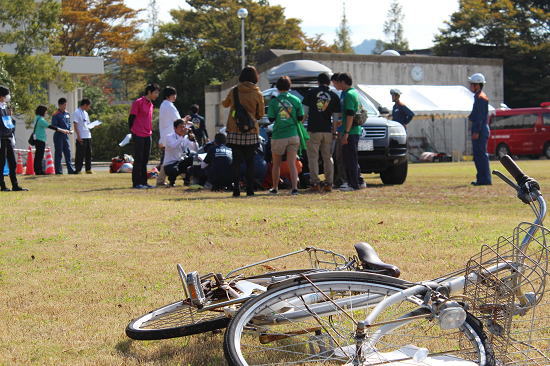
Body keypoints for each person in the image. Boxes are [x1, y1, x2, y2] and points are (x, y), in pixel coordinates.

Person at [222, 65, 264, 197]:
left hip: (234, 130)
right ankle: (250, 190)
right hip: (251, 131)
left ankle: (236, 189)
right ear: (255, 77)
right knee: (250, 161)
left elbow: (225, 104)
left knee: (236, 161)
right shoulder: (257, 93)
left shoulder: (234, 91)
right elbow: (260, 114)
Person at [302, 72, 340, 192]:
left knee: (313, 157)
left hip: (313, 130)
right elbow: (335, 117)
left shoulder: (311, 93)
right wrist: (334, 131)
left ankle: (315, 183)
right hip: (327, 130)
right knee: (327, 157)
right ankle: (329, 183)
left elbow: (305, 114)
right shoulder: (334, 96)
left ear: (317, 82)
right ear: (329, 82)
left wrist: (300, 126)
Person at [267, 76, 304, 195]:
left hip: (279, 135)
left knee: (276, 164)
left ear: (277, 87)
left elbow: (271, 119)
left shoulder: (274, 101)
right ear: (289, 86)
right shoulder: (296, 100)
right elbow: (300, 117)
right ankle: (294, 188)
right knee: (292, 163)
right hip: (293, 135)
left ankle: (275, 188)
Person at [129, 83, 160, 189]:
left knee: (145, 160)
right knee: (138, 159)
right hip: (138, 134)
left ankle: (144, 182)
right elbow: (131, 118)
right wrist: (133, 132)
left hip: (148, 135)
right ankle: (136, 183)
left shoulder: (151, 104)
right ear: (149, 92)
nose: (157, 95)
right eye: (155, 92)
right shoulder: (138, 102)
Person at [337, 72, 362, 191]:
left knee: (350, 159)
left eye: (339, 82)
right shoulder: (352, 93)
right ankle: (357, 181)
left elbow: (350, 115)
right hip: (352, 130)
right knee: (351, 158)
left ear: (343, 82)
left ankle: (353, 184)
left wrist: (346, 132)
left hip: (351, 132)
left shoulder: (349, 95)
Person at [0, 86, 27, 191]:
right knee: (1, 163)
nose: (8, 97)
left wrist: (12, 136)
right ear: (1, 96)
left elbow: (9, 123)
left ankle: (15, 185)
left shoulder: (6, 107)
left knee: (13, 162)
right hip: (1, 138)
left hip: (8, 137)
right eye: (6, 95)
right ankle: (2, 186)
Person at [468, 73, 492, 186]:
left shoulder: (481, 97)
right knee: (478, 155)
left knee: (481, 155)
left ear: (477, 85)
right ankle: (481, 178)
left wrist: (476, 131)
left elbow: (480, 117)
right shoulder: (478, 96)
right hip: (480, 129)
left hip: (480, 130)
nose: (470, 86)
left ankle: (485, 179)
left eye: (472, 84)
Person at [33, 105, 70, 175]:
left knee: (38, 155)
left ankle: (38, 170)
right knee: (39, 156)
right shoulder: (41, 120)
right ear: (42, 112)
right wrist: (63, 130)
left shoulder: (36, 118)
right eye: (45, 112)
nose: (46, 113)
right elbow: (52, 127)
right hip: (40, 139)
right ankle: (38, 171)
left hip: (37, 139)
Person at [157, 86, 181, 186]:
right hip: (170, 137)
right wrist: (187, 120)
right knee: (169, 159)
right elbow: (178, 120)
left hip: (164, 135)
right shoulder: (170, 106)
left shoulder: (163, 105)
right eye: (173, 94)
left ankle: (160, 180)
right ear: (169, 95)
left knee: (167, 158)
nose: (175, 96)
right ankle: (160, 180)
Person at [163, 118, 197, 187]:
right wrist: (182, 136)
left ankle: (187, 180)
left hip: (180, 161)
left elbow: (196, 149)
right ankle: (172, 182)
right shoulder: (169, 137)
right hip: (170, 164)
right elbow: (173, 146)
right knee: (173, 170)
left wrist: (194, 140)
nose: (183, 129)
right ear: (175, 128)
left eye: (184, 126)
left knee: (193, 157)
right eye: (180, 127)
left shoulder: (185, 137)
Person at [330, 73, 347, 189]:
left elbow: (349, 114)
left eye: (334, 83)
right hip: (341, 129)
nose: (334, 85)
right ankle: (340, 180)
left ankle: (345, 180)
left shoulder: (348, 95)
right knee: (338, 156)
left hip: (345, 131)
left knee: (342, 157)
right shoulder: (342, 94)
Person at [51, 98, 76, 174]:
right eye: (64, 105)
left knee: (68, 152)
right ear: (60, 105)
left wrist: (71, 130)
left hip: (65, 136)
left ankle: (70, 170)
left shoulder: (67, 114)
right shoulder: (55, 114)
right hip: (58, 135)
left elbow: (68, 124)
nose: (65, 106)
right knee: (59, 153)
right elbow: (54, 126)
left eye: (66, 104)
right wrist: (63, 130)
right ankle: (58, 171)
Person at [73, 98, 94, 174]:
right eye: (88, 106)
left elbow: (88, 124)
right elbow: (75, 124)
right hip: (81, 136)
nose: (89, 108)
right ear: (85, 105)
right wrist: (78, 136)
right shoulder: (77, 112)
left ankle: (88, 169)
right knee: (80, 154)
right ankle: (78, 169)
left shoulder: (86, 113)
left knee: (89, 153)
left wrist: (94, 125)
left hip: (88, 135)